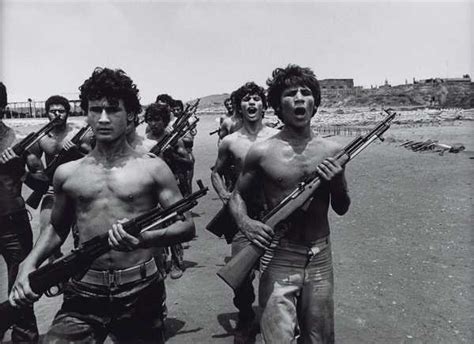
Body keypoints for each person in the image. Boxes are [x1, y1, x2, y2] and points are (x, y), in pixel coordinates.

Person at [9, 67, 195, 343]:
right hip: (83, 291)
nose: (103, 118)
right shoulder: (68, 173)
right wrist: (29, 262)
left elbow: (187, 226)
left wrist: (145, 239)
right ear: (86, 114)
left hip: (141, 291)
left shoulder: (153, 168)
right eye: (95, 110)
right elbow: (57, 228)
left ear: (131, 115)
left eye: (113, 110)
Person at [229, 65, 351, 344]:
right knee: (278, 337)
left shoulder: (332, 151)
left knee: (319, 338)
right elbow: (237, 196)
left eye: (306, 92)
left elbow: (342, 207)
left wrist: (337, 181)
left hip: (320, 257)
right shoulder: (261, 152)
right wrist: (246, 223)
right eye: (290, 93)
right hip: (278, 257)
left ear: (315, 103)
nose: (299, 98)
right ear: (276, 105)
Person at [211, 81, 279, 343]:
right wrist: (227, 197)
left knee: (275, 271)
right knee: (240, 276)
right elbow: (216, 173)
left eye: (256, 99)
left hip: (275, 211)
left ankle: (275, 319)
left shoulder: (277, 136)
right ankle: (246, 315)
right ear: (239, 106)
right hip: (242, 215)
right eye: (246, 99)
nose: (251, 103)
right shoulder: (230, 141)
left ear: (264, 105)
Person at [0, 82, 39, 343]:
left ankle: (24, 338)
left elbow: (43, 181)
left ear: (2, 107)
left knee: (20, 286)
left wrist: (20, 169)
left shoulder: (18, 142)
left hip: (12, 224)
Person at [34, 95, 93, 258]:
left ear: (68, 113)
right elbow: (36, 171)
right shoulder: (41, 137)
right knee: (46, 242)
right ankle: (58, 280)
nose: (57, 114)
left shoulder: (79, 134)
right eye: (53, 111)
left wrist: (77, 151)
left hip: (77, 189)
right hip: (52, 191)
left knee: (83, 240)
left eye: (61, 111)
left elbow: (93, 159)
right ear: (47, 113)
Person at [145, 102, 193, 279]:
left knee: (175, 223)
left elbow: (188, 163)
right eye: (150, 119)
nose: (153, 123)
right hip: (150, 187)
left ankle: (177, 262)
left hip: (172, 186)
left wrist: (172, 155)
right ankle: (159, 264)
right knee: (154, 226)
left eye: (157, 119)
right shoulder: (144, 140)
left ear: (164, 121)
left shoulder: (174, 139)